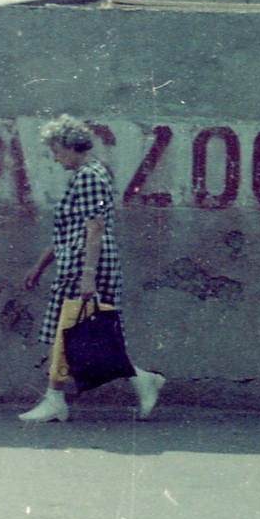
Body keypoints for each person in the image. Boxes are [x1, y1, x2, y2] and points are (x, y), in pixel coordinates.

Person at [18, 115, 165, 423]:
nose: (56, 158)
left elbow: (95, 227)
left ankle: (56, 399)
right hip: (81, 263)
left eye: (57, 150)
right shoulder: (88, 174)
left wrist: (88, 275)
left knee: (72, 333)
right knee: (84, 334)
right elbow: (70, 231)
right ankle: (141, 380)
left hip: (88, 266)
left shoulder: (89, 176)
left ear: (73, 146)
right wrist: (40, 265)